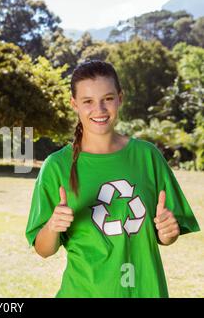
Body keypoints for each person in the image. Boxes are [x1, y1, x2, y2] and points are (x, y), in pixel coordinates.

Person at [25, 60, 201, 298]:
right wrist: (53, 225)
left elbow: (167, 236)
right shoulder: (57, 166)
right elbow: (43, 250)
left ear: (120, 98)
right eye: (88, 101)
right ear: (74, 104)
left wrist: (168, 233)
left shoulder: (147, 157)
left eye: (107, 98)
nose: (99, 109)